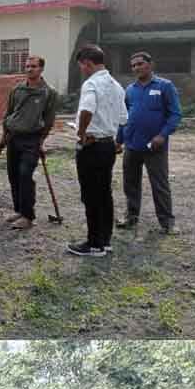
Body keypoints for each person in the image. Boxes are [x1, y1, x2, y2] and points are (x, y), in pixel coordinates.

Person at [70, 45, 128, 257]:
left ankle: (93, 244)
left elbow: (87, 109)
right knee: (104, 194)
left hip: (92, 146)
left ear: (87, 63)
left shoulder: (92, 84)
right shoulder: (116, 86)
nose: (82, 70)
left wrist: (82, 133)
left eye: (81, 66)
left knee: (91, 195)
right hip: (108, 146)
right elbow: (123, 119)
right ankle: (105, 240)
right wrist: (117, 141)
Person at [117, 50, 182, 234]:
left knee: (160, 185)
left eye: (140, 63)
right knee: (130, 184)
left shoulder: (165, 86)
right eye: (133, 65)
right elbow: (124, 117)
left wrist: (162, 135)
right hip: (132, 145)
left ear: (150, 64)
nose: (136, 67)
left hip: (155, 147)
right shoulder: (130, 90)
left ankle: (167, 223)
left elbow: (175, 114)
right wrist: (119, 140)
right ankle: (131, 217)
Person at [0, 56, 59, 230]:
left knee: (25, 174)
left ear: (41, 69)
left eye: (33, 66)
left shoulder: (49, 93)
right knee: (13, 175)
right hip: (13, 137)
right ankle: (19, 210)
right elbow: (8, 114)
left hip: (31, 140)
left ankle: (28, 216)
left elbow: (48, 120)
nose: (29, 69)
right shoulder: (17, 90)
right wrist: (3, 138)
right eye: (27, 66)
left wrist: (41, 141)